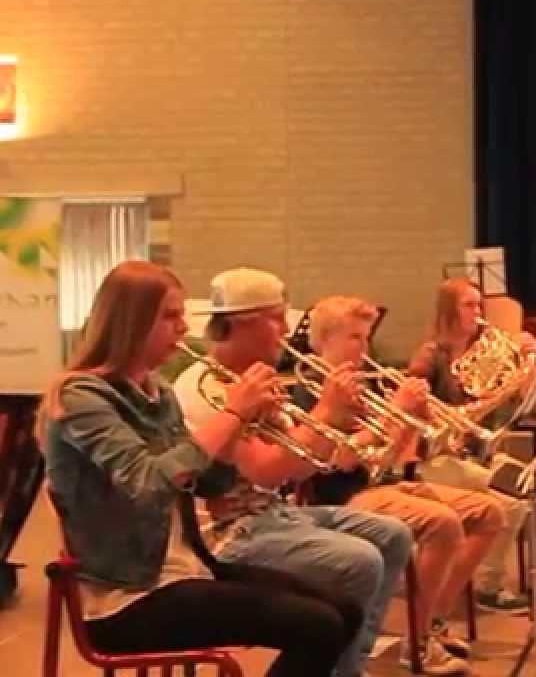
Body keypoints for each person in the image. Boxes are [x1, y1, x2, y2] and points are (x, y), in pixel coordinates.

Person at [39, 261, 362, 676]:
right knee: (317, 626)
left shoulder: (159, 392)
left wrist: (241, 425)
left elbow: (210, 483)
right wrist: (231, 412)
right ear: (132, 323)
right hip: (125, 595)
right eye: (169, 316)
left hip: (185, 567)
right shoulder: (81, 396)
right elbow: (148, 483)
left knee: (344, 610)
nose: (183, 326)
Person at [172, 268, 414, 677]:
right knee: (361, 560)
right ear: (242, 323)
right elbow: (266, 472)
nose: (286, 330)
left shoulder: (258, 379)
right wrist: (327, 411)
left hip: (273, 516)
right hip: (228, 532)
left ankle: (346, 668)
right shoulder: (206, 385)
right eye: (275, 318)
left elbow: (298, 470)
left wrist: (333, 420)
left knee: (393, 536)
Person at [298, 294, 507, 675]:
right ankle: (417, 642)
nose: (365, 347)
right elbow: (339, 460)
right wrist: (398, 410)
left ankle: (430, 624)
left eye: (366, 338)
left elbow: (388, 456)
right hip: (341, 496)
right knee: (442, 523)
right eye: (354, 338)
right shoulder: (311, 387)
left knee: (488, 511)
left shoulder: (364, 383)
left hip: (382, 484)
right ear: (324, 339)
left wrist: (413, 420)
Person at [406, 277, 536, 613]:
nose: (478, 312)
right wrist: (457, 418)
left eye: (479, 304)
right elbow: (411, 410)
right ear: (449, 310)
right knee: (509, 503)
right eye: (469, 305)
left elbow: (530, 400)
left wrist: (530, 362)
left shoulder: (490, 350)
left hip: (480, 455)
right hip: (436, 459)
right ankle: (489, 584)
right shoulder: (430, 356)